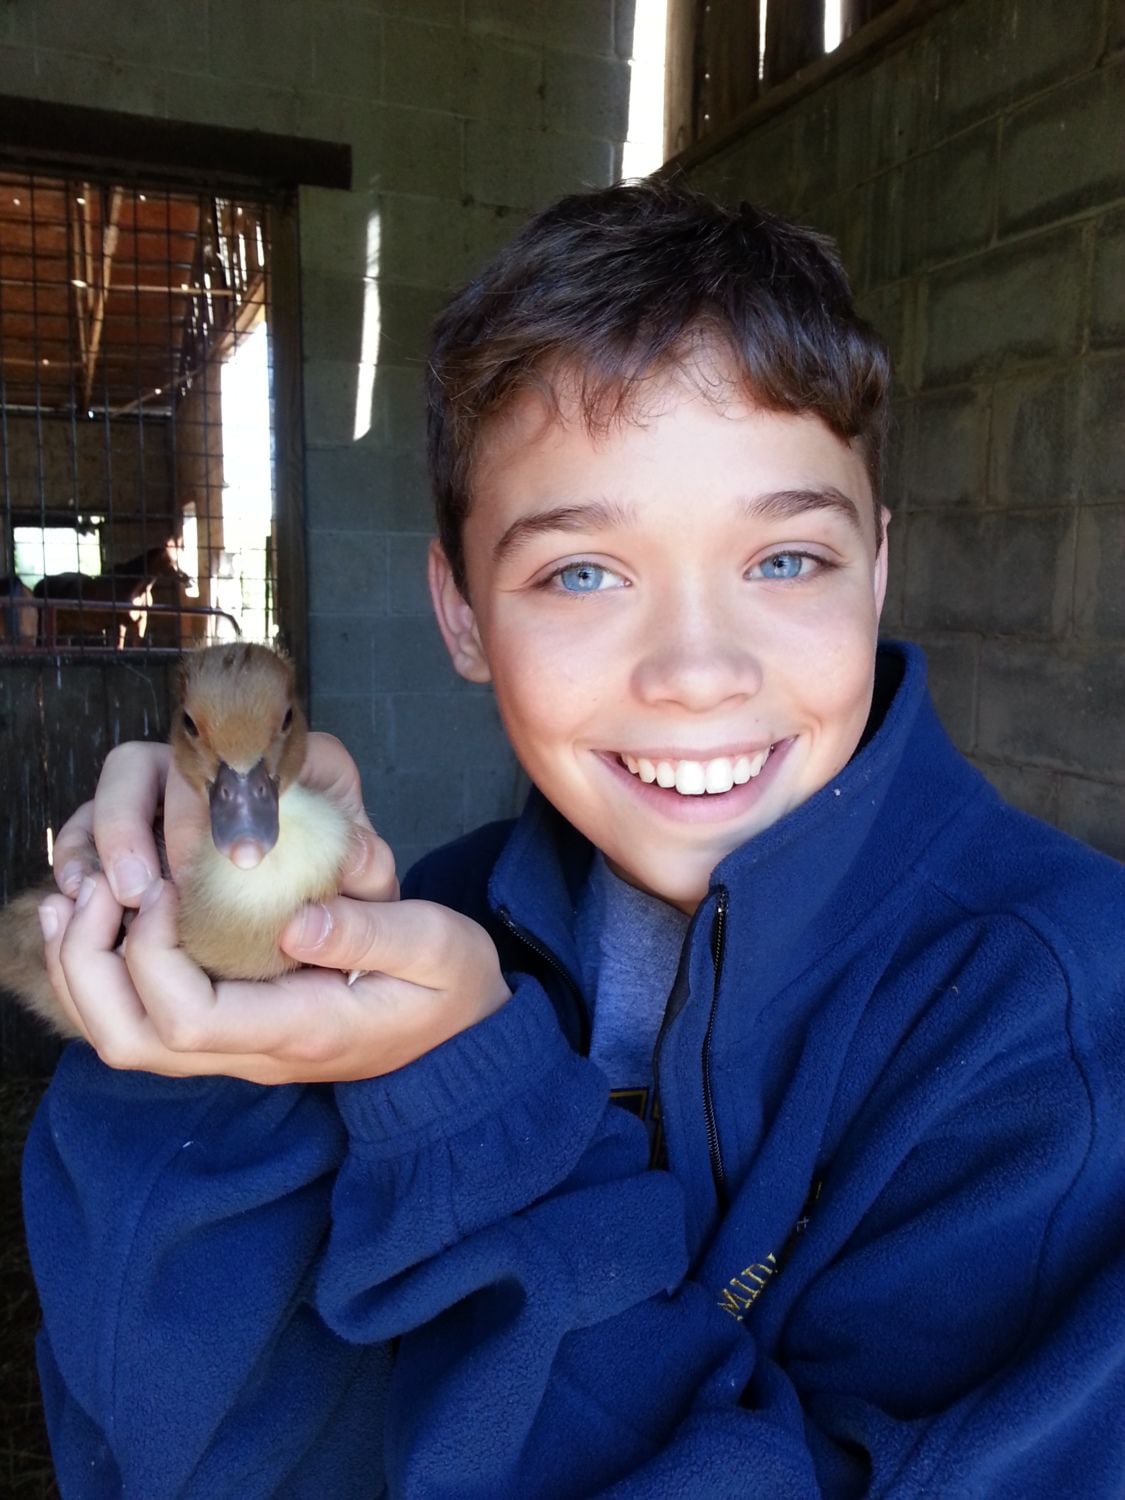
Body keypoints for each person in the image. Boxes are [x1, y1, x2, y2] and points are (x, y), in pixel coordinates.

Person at [23, 182, 1124, 1498]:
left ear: (875, 568)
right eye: (581, 574)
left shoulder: (1056, 1024)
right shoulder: (433, 928)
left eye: (784, 560)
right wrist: (207, 1014)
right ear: (462, 614)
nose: (698, 672)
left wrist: (470, 1107)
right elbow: (176, 1450)